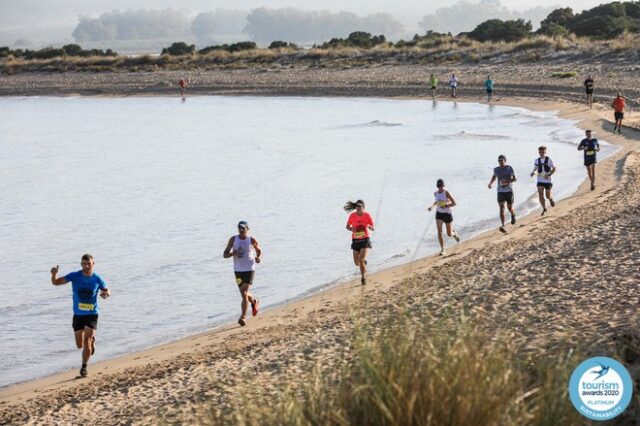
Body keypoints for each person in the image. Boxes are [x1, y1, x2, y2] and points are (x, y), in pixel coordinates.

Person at [50, 254, 110, 378]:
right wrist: (53, 274)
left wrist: (106, 294)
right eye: (84, 263)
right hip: (78, 314)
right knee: (79, 345)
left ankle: (84, 368)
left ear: (93, 264)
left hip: (92, 314)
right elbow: (56, 283)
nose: (86, 266)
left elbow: (106, 290)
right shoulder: (75, 276)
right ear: (81, 264)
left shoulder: (97, 279)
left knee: (87, 341)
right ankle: (92, 340)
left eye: (89, 263)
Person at [223, 221, 262, 326]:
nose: (241, 230)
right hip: (238, 271)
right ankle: (254, 301)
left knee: (244, 293)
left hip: (249, 269)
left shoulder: (251, 240)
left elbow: (258, 250)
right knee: (243, 294)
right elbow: (224, 254)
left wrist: (258, 258)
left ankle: (243, 317)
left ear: (247, 229)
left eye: (243, 228)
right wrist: (232, 253)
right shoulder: (233, 239)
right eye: (239, 228)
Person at [344, 200, 375, 285]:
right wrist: (351, 229)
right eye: (357, 207)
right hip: (355, 241)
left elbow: (372, 226)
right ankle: (364, 264)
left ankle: (363, 278)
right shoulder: (352, 216)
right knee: (357, 263)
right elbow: (347, 226)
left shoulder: (367, 215)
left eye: (360, 207)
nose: (358, 209)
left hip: (365, 240)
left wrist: (370, 227)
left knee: (361, 260)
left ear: (363, 208)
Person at [428, 179, 460, 255]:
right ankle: (443, 250)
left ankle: (454, 234)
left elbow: (454, 203)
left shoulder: (446, 193)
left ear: (443, 186)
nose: (440, 188)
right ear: (437, 186)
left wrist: (445, 205)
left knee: (449, 234)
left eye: (441, 186)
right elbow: (436, 202)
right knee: (439, 232)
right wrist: (432, 207)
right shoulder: (435, 193)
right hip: (439, 214)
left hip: (447, 214)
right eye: (438, 186)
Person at [488, 155, 517, 233]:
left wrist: (507, 181)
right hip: (500, 192)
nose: (500, 162)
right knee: (501, 208)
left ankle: (513, 214)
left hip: (509, 191)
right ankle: (503, 225)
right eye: (499, 160)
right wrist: (491, 183)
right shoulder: (496, 169)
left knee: (509, 208)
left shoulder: (509, 168)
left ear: (505, 160)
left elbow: (515, 179)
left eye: (502, 160)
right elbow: (494, 176)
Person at [530, 146, 557, 216]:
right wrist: (532, 172)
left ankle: (550, 199)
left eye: (543, 152)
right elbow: (535, 167)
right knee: (540, 193)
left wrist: (549, 174)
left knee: (547, 196)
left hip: (548, 181)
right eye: (540, 152)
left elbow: (554, 168)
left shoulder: (549, 159)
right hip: (540, 180)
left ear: (545, 152)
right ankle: (544, 209)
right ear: (539, 152)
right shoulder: (536, 160)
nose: (541, 153)